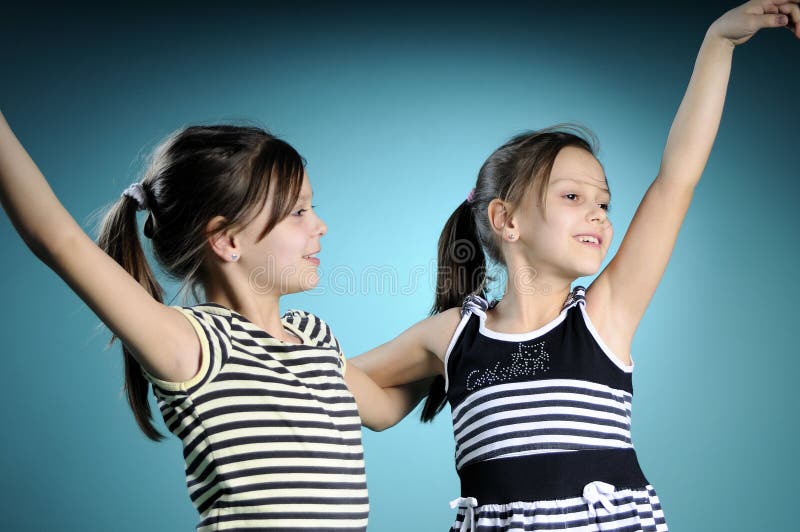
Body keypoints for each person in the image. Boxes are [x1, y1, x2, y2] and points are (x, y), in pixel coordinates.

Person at [349, 1, 800, 530]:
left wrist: (717, 43)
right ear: (506, 220)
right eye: (571, 196)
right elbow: (349, 386)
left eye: (604, 203)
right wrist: (266, 329)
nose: (598, 214)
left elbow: (677, 177)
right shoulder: (453, 335)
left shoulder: (603, 317)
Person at [0, 120, 420, 530]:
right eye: (297, 212)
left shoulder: (314, 337)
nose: (320, 225)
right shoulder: (194, 344)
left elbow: (382, 409)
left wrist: (456, 343)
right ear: (227, 240)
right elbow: (57, 238)